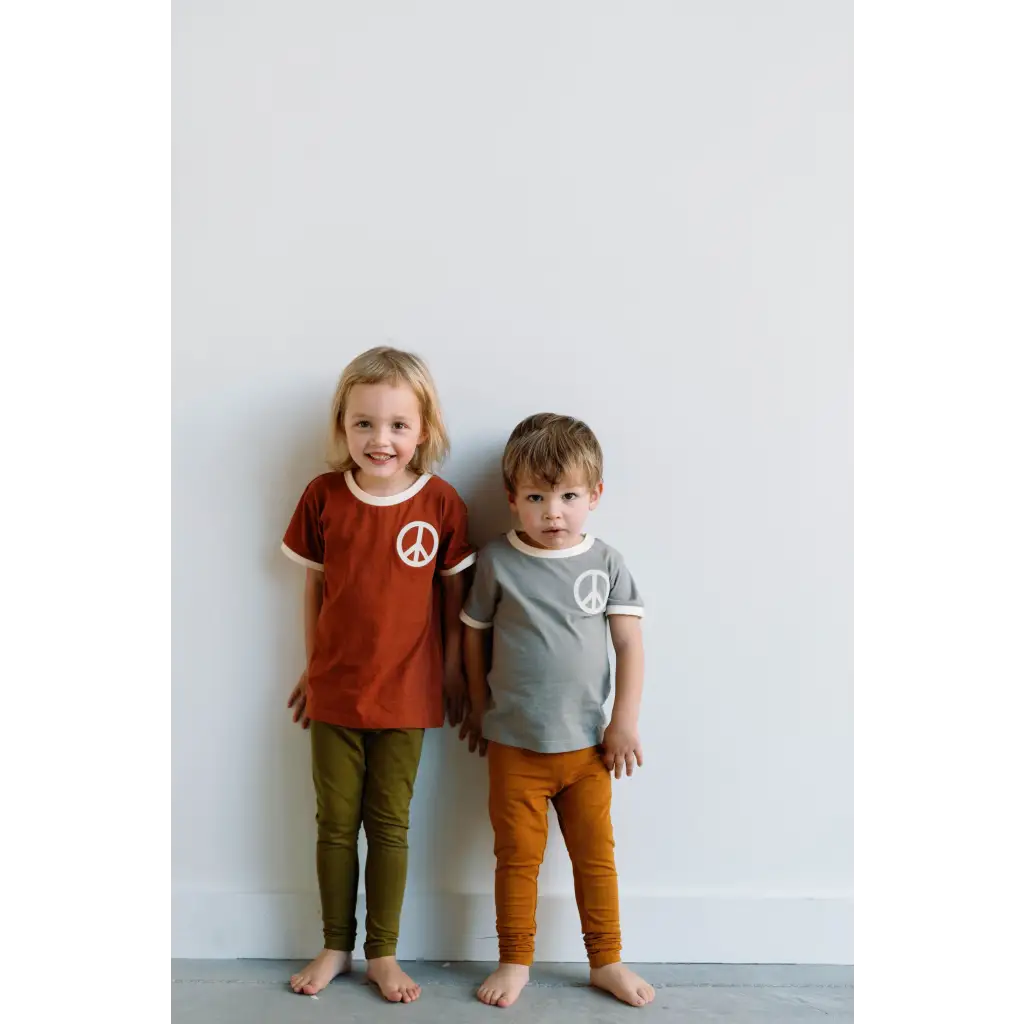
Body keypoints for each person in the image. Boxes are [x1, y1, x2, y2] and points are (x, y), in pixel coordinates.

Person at [281, 346, 475, 1003]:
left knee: (388, 825)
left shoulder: (442, 505)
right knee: (335, 824)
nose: (380, 439)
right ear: (342, 426)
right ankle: (336, 942)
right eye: (363, 423)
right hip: (334, 693)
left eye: (397, 424)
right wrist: (312, 668)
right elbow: (314, 590)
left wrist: (451, 674)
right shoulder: (322, 496)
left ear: (424, 430)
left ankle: (382, 953)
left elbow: (454, 601)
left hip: (408, 696)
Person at [460, 413, 655, 1009]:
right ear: (512, 499)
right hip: (515, 746)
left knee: (596, 859)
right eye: (537, 497)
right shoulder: (496, 562)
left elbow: (628, 645)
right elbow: (474, 635)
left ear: (594, 496)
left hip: (588, 749)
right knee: (516, 859)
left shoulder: (607, 563)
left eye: (569, 496)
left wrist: (624, 722)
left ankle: (606, 959)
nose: (553, 512)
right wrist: (475, 702)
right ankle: (515, 959)